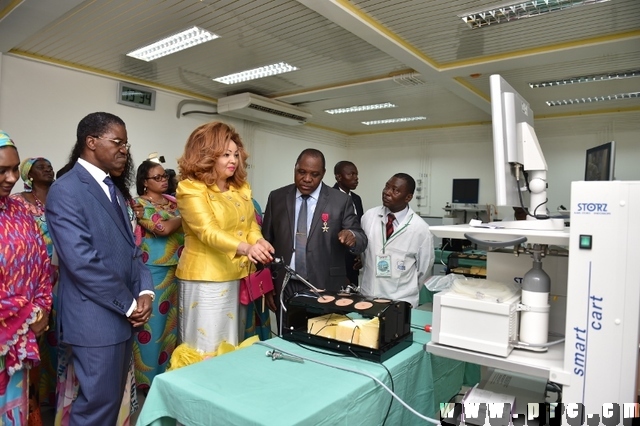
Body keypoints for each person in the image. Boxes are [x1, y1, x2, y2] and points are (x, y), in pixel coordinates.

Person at [46, 112, 154, 426]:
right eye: (117, 142)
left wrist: (145, 289)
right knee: (96, 409)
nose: (124, 150)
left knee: (107, 406)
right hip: (95, 320)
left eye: (126, 144)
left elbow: (132, 251)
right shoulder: (67, 190)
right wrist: (130, 304)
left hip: (119, 318)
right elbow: (82, 262)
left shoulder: (113, 190)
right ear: (91, 142)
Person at [176, 121, 274, 354]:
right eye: (225, 155)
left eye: (236, 154)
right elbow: (207, 231)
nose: (233, 160)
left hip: (235, 277)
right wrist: (246, 248)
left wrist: (258, 241)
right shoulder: (190, 189)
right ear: (206, 156)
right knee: (205, 347)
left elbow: (249, 224)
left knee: (230, 342)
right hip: (205, 280)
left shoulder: (239, 188)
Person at [262, 148, 367, 314]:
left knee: (321, 334)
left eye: (314, 174)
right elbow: (265, 242)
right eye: (301, 172)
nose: (307, 179)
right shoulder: (277, 197)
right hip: (285, 283)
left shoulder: (340, 200)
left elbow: (361, 237)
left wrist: (352, 236)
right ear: (295, 168)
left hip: (325, 285)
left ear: (323, 173)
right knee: (286, 337)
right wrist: (266, 285)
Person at [0, 131, 53, 425]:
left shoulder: (19, 210)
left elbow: (41, 262)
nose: (10, 178)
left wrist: (43, 307)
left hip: (25, 335)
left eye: (13, 168)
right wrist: (27, 314)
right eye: (1, 170)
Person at [10, 157, 58, 409]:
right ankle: (31, 402)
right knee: (34, 335)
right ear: (29, 175)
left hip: (62, 277)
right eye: (41, 166)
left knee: (57, 336)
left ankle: (53, 394)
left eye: (49, 165)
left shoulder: (61, 198)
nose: (48, 169)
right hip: (30, 281)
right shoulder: (17, 203)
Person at [133, 160, 183, 392]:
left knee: (171, 326)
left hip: (178, 270)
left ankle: (165, 377)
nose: (164, 180)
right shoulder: (139, 204)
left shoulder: (174, 202)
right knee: (152, 325)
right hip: (153, 271)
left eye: (165, 176)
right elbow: (162, 228)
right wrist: (186, 217)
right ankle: (146, 381)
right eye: (157, 177)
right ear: (144, 182)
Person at [359, 173, 434, 308]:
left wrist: (405, 288)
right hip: (368, 296)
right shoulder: (369, 217)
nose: (387, 192)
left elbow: (424, 269)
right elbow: (364, 255)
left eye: (395, 190)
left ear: (408, 197)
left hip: (401, 300)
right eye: (387, 186)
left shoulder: (421, 229)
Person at [333, 160, 364, 287]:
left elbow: (358, 229)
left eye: (356, 174)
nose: (356, 178)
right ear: (338, 177)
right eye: (351, 174)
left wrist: (360, 254)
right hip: (336, 261)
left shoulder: (356, 198)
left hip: (353, 260)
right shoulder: (330, 197)